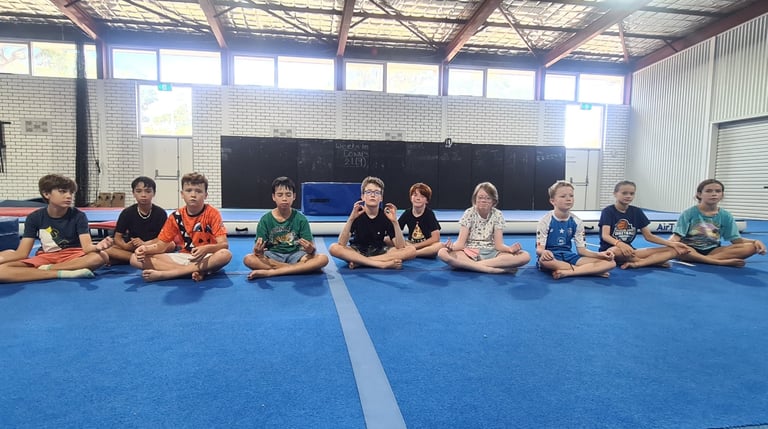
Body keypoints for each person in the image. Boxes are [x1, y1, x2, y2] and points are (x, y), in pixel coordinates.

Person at [0, 174, 113, 283]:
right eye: (62, 191)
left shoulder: (78, 216)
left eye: (71, 192)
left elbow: (87, 247)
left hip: (74, 256)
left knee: (101, 256)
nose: (69, 196)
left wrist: (97, 247)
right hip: (46, 257)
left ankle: (46, 270)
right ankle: (62, 273)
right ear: (46, 194)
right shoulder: (35, 217)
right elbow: (22, 253)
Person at [130, 172, 232, 281]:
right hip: (184, 257)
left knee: (225, 254)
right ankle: (193, 271)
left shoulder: (213, 213)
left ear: (205, 195)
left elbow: (223, 245)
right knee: (134, 258)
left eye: (198, 191)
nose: (193, 195)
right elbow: (161, 246)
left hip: (206, 257)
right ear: (182, 194)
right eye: (189, 191)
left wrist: (206, 249)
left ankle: (169, 274)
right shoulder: (176, 216)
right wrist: (145, 249)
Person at [243, 176, 329, 279]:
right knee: (248, 259)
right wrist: (258, 251)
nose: (284, 199)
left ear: (294, 196)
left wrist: (310, 249)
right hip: (273, 255)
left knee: (323, 259)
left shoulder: (301, 219)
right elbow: (258, 251)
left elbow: (311, 249)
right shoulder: (265, 219)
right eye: (280, 195)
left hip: (296, 255)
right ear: (274, 197)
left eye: (288, 195)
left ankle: (272, 272)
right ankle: (298, 269)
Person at [437, 182, 530, 273]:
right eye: (480, 197)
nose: (483, 200)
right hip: (470, 252)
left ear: (494, 201)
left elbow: (499, 245)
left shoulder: (497, 214)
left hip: (492, 252)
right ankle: (491, 269)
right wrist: (451, 247)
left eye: (488, 198)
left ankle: (471, 266)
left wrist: (509, 249)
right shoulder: (469, 213)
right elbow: (461, 243)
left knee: (525, 256)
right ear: (475, 199)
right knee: (442, 252)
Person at [669, 179, 765, 267]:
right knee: (678, 248)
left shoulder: (725, 215)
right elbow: (676, 237)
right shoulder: (689, 213)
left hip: (713, 250)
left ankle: (704, 259)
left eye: (718, 191)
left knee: (751, 248)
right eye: (708, 191)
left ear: (722, 195)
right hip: (690, 249)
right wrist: (671, 245)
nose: (714, 194)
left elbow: (736, 240)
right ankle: (716, 261)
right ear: (699, 194)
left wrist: (755, 242)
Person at [329, 176, 416, 269]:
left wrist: (395, 222)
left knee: (411, 250)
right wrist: (351, 219)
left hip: (379, 250)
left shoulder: (386, 216)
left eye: (377, 192)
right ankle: (379, 264)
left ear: (381, 198)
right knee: (334, 248)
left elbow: (400, 246)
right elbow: (341, 243)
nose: (373, 195)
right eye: (369, 192)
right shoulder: (357, 214)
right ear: (363, 196)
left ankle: (361, 262)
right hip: (358, 250)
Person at [599, 180, 691, 269]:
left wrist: (672, 244)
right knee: (615, 250)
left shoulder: (636, 211)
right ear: (615, 194)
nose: (628, 196)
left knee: (674, 250)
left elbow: (649, 236)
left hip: (631, 251)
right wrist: (620, 244)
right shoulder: (608, 211)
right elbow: (605, 236)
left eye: (632, 193)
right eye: (624, 193)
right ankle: (651, 262)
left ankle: (640, 262)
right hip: (611, 250)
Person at [536, 180, 615, 279]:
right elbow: (539, 249)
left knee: (611, 263)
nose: (568, 199)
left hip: (569, 256)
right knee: (544, 262)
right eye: (563, 196)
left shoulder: (577, 222)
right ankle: (590, 271)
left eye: (571, 196)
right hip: (552, 257)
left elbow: (582, 251)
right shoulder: (545, 221)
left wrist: (600, 255)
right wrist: (544, 253)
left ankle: (569, 272)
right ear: (553, 201)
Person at [105, 176, 170, 264]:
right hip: (132, 248)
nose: (143, 195)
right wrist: (125, 246)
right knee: (108, 249)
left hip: (152, 246)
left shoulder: (160, 213)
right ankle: (141, 258)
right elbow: (117, 237)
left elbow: (163, 238)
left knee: (171, 244)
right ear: (133, 193)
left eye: (148, 191)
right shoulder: (127, 212)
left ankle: (136, 259)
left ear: (154, 193)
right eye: (139, 191)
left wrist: (145, 244)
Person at [398, 182, 443, 258]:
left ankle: (414, 253)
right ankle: (411, 251)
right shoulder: (407, 213)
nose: (418, 198)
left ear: (427, 200)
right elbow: (396, 231)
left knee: (440, 245)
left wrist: (416, 246)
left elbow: (436, 238)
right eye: (415, 195)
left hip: (426, 245)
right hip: (410, 244)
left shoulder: (429, 214)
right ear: (411, 197)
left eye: (422, 196)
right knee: (387, 239)